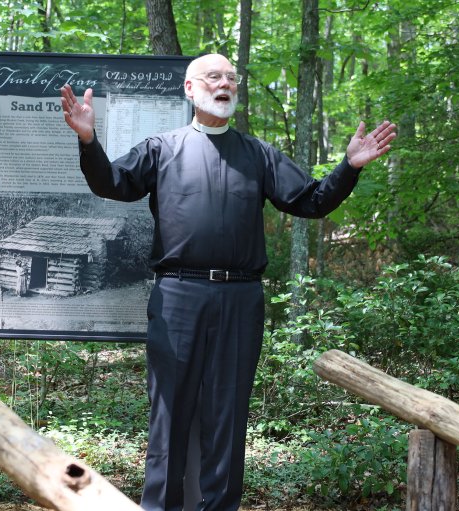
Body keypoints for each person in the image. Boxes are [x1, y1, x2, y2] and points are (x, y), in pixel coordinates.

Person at [60, 53, 396, 511]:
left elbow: (311, 201)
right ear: (190, 89)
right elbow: (113, 183)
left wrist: (349, 167)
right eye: (214, 76)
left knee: (228, 416)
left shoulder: (257, 154)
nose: (225, 84)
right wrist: (88, 141)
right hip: (178, 294)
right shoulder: (162, 147)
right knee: (169, 416)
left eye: (232, 78)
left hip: (241, 298)